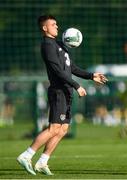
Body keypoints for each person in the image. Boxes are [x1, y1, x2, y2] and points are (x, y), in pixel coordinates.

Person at [17, 15, 108, 176]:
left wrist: (91, 75)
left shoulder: (59, 44)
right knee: (53, 128)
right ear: (44, 28)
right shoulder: (47, 45)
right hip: (58, 91)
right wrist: (77, 85)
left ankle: (42, 161)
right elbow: (57, 71)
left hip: (66, 91)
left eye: (56, 24)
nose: (57, 26)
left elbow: (71, 67)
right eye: (53, 24)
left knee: (63, 129)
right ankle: (27, 155)